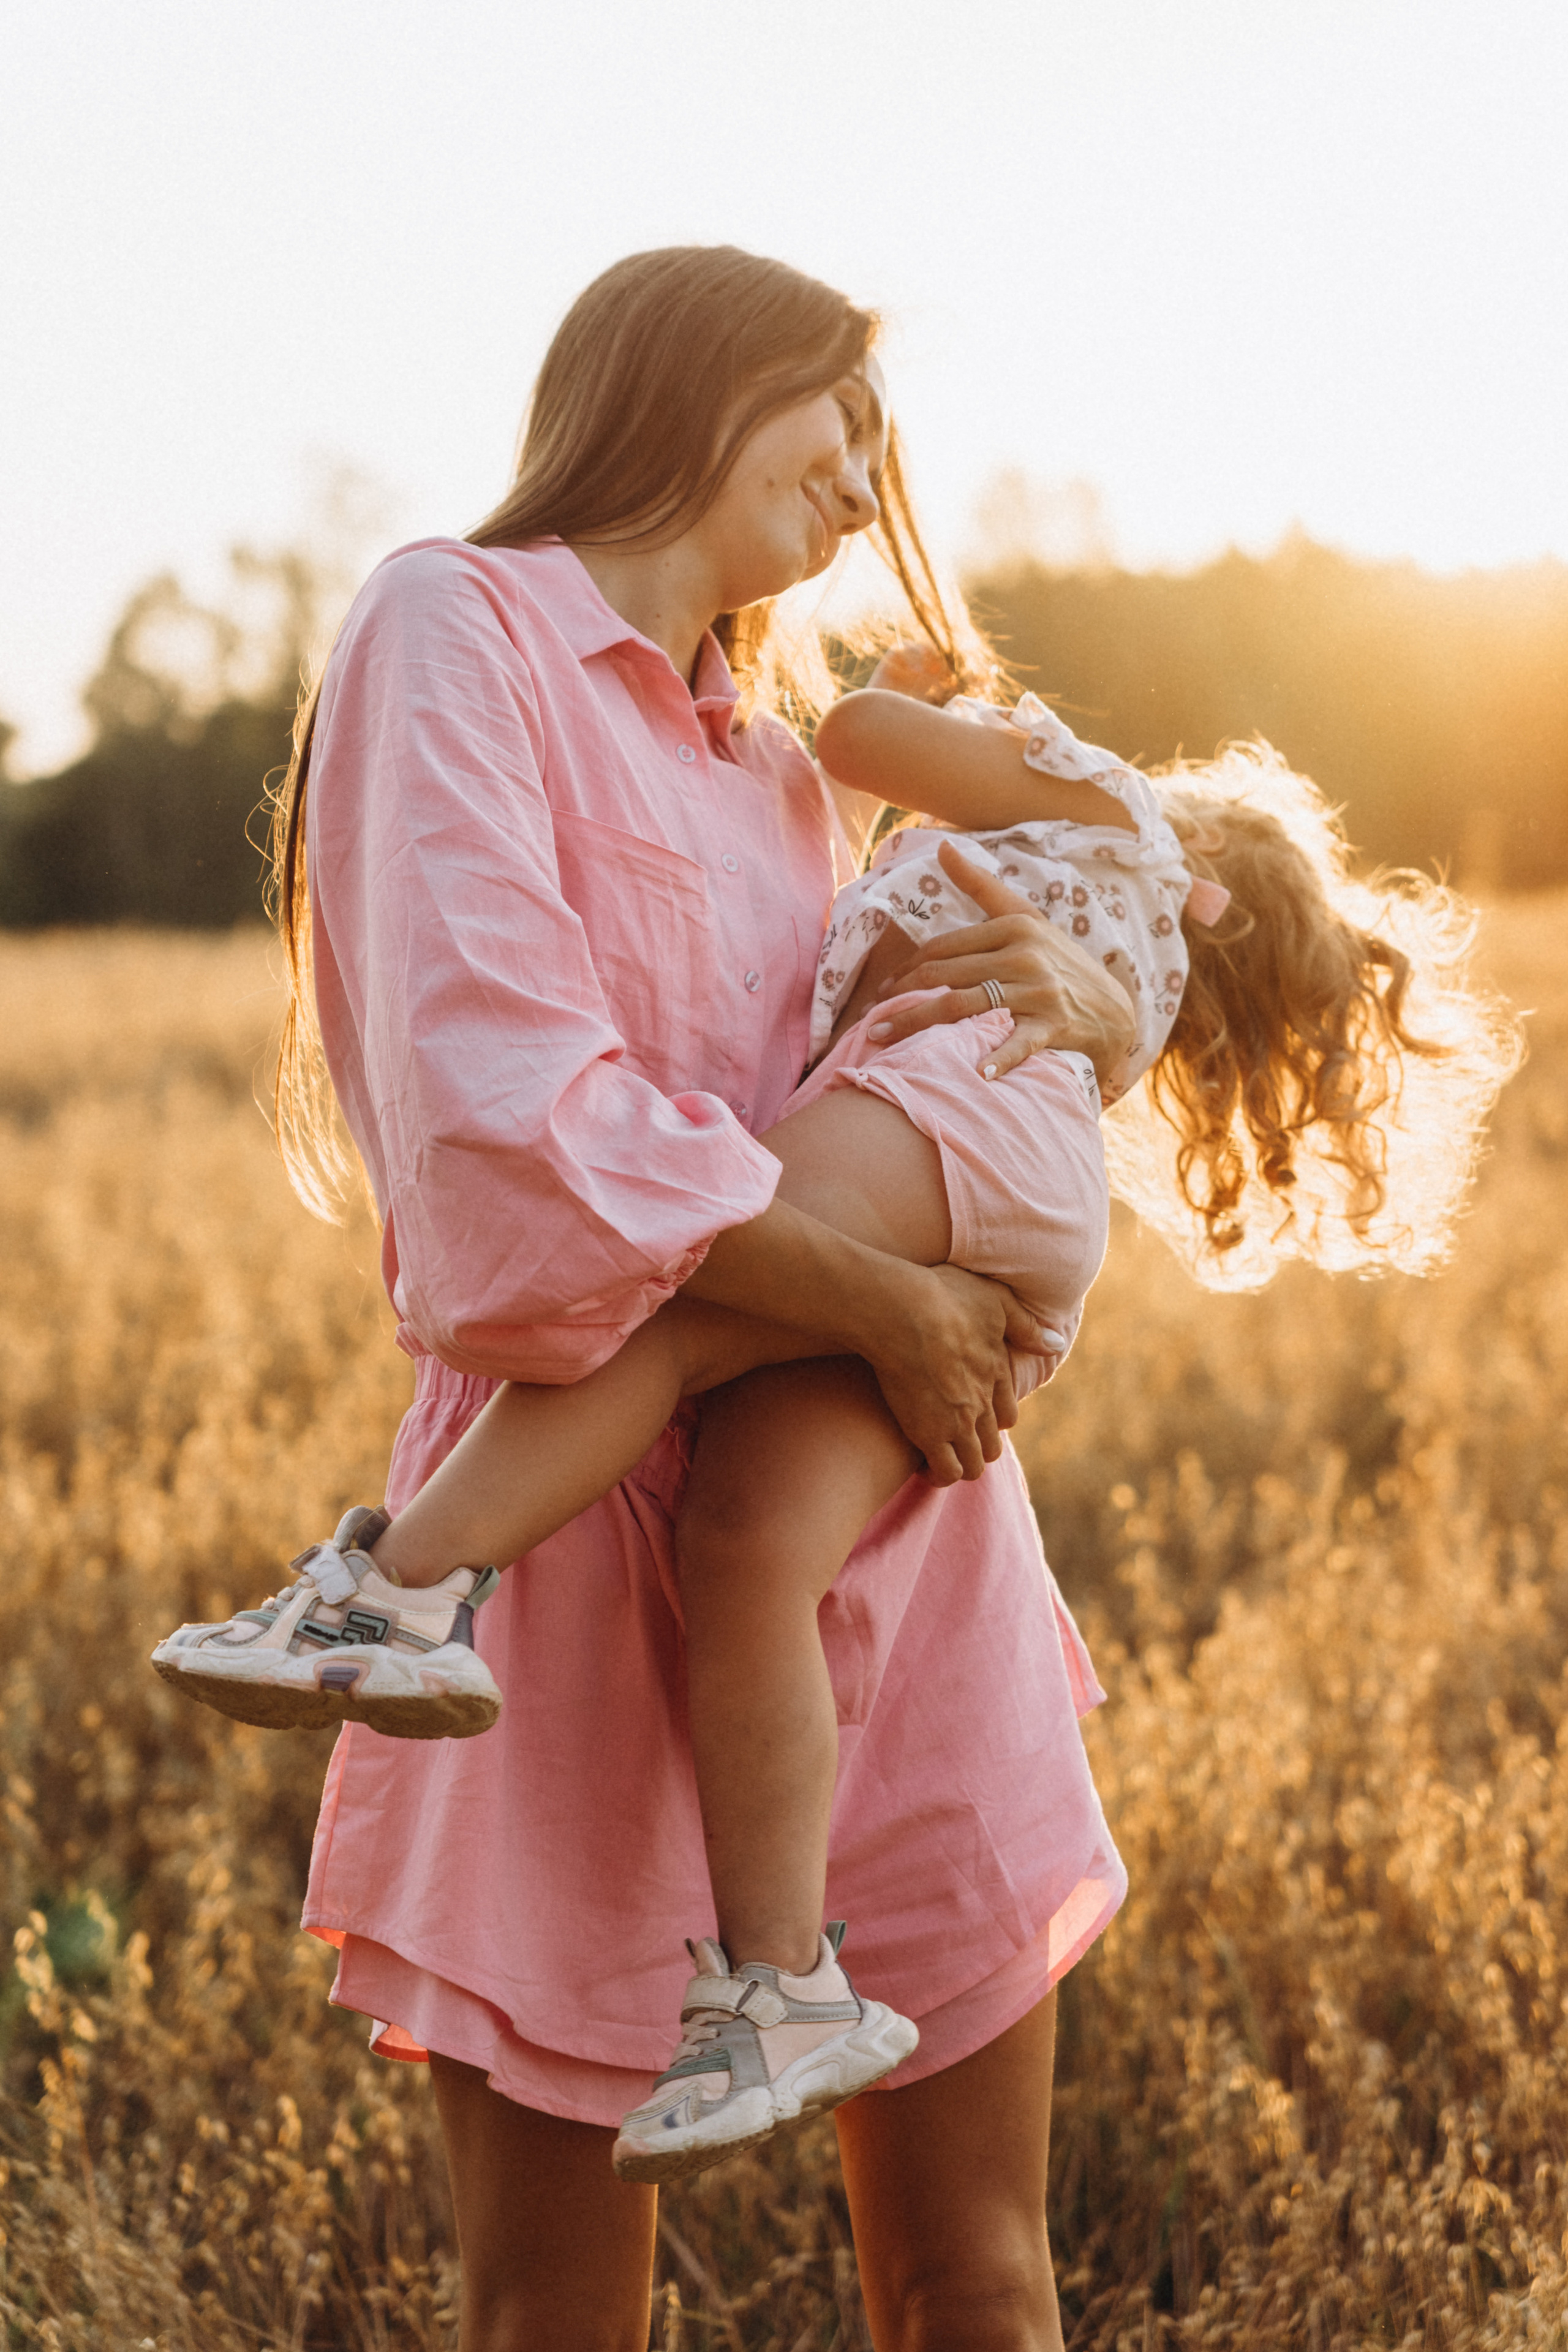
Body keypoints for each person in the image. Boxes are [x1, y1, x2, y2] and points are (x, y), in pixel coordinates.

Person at [156, 644, 1518, 2198]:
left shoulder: (1109, 806)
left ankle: (394, 1590)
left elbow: (861, 737)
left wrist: (944, 696)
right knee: (744, 1551)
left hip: (943, 1112)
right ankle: (779, 1986)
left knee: (652, 1306)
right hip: (998, 1187)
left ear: (1190, 836)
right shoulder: (1107, 930)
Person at [164, 244, 1142, 2352]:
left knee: (980, 2282)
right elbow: (513, 1123)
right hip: (568, 1550)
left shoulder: (799, 771)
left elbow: (954, 1098)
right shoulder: (458, 624)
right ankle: (385, 1603)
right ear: (697, 380)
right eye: (843, 414)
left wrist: (1074, 1008)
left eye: (890, 447)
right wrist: (880, 1296)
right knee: (556, 2314)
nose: (877, 481)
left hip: (887, 1514)